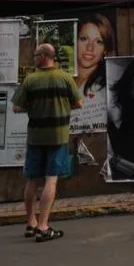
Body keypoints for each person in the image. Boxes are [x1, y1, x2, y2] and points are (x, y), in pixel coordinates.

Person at [12, 43, 83, 242]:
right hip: (58, 137)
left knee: (32, 180)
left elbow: (16, 108)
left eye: (35, 55)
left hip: (35, 137)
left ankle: (31, 223)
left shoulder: (30, 80)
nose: (34, 58)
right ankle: (44, 226)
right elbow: (79, 103)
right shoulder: (65, 78)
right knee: (51, 179)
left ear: (43, 56)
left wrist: (34, 108)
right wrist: (60, 107)